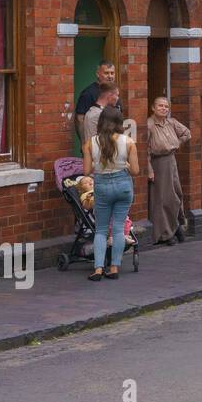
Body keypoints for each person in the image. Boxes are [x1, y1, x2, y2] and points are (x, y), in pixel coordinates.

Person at [82, 105, 140, 281]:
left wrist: (98, 164)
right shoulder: (128, 142)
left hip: (103, 185)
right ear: (119, 122)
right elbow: (136, 171)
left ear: (100, 122)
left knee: (100, 229)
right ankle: (114, 267)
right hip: (123, 185)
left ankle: (98, 269)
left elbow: (86, 171)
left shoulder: (90, 143)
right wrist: (126, 166)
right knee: (118, 228)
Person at [145, 96, 191, 244]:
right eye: (160, 106)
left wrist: (177, 142)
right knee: (162, 199)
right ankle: (164, 233)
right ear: (153, 107)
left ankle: (175, 226)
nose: (164, 109)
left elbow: (187, 133)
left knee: (176, 195)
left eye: (166, 106)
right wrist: (149, 169)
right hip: (158, 164)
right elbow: (144, 150)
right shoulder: (149, 125)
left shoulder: (171, 122)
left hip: (171, 161)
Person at [75, 59, 119, 142]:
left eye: (112, 73)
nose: (110, 76)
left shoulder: (115, 93)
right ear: (98, 74)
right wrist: (84, 143)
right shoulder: (88, 93)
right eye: (106, 73)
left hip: (113, 144)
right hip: (94, 145)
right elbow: (79, 120)